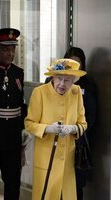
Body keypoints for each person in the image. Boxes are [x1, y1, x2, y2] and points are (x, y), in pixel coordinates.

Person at [24, 58, 87, 200]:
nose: (62, 84)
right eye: (59, 78)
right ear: (53, 77)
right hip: (47, 158)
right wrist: (48, 129)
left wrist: (72, 128)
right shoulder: (39, 92)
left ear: (74, 81)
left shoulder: (76, 92)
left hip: (67, 160)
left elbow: (83, 124)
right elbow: (29, 123)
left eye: (67, 80)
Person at [0, 28, 28, 200]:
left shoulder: (17, 73)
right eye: (6, 48)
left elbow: (20, 107)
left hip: (12, 142)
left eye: (13, 48)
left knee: (13, 187)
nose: (11, 53)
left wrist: (23, 137)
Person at [64, 47, 97, 200]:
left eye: (78, 64)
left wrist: (77, 131)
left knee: (76, 186)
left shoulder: (87, 85)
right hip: (56, 140)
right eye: (70, 63)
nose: (74, 68)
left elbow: (91, 116)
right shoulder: (53, 81)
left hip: (79, 143)